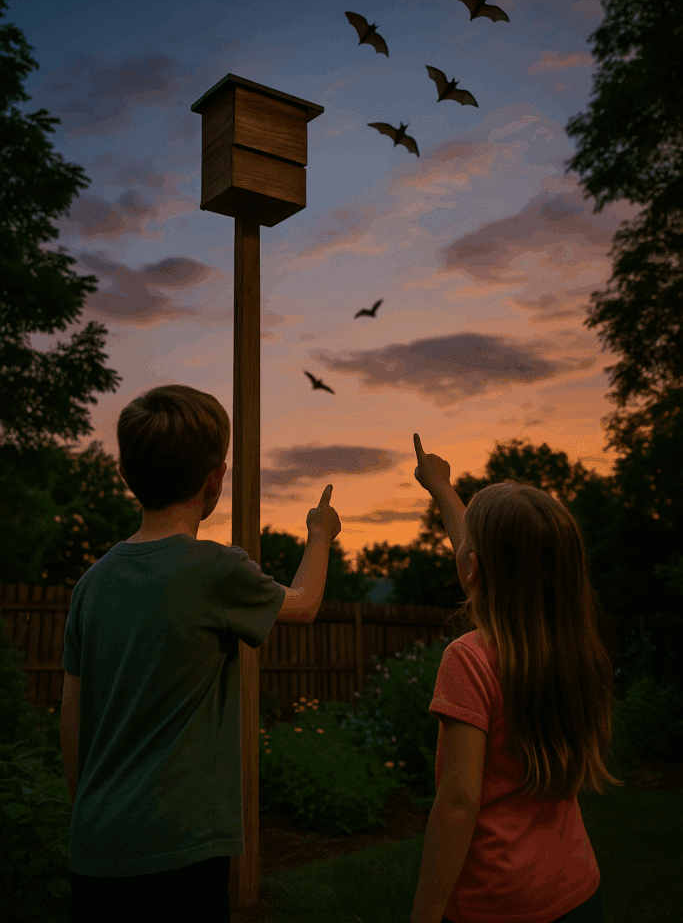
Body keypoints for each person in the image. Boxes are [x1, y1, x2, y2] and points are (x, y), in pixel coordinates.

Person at [63, 384, 619, 923]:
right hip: (181, 847)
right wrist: (323, 531)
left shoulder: (89, 586)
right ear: (217, 478)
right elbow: (305, 603)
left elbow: (73, 722)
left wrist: (87, 809)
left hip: (96, 843)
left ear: (124, 474)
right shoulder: (576, 649)